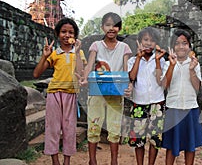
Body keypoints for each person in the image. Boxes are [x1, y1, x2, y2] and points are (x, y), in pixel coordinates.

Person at [79, 12, 132, 165]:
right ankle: (92, 160)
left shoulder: (124, 47)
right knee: (94, 125)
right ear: (102, 27)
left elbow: (125, 68)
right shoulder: (96, 45)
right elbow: (90, 64)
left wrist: (128, 85)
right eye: (108, 25)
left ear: (119, 28)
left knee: (115, 127)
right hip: (97, 90)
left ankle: (114, 161)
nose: (111, 28)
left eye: (115, 25)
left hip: (115, 91)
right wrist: (84, 78)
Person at [33, 17, 87, 165]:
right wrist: (44, 57)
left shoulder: (79, 53)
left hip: (71, 95)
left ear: (75, 36)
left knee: (69, 129)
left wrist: (77, 52)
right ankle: (55, 160)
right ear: (58, 34)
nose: (67, 35)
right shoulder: (54, 54)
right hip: (54, 94)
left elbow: (81, 73)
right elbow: (36, 74)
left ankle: (67, 161)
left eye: (71, 32)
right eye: (63, 32)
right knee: (53, 128)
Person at [161, 29, 202, 165]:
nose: (181, 46)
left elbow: (197, 87)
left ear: (189, 47)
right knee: (171, 145)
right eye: (177, 43)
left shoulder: (194, 64)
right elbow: (164, 85)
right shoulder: (167, 64)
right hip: (173, 108)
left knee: (190, 145)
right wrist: (172, 66)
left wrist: (192, 69)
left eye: (184, 43)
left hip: (190, 108)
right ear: (172, 47)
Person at [126, 26, 166, 165]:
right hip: (139, 103)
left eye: (152, 40)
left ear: (156, 44)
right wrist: (138, 57)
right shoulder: (133, 60)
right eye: (145, 40)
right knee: (138, 138)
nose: (149, 43)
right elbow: (131, 77)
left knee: (155, 138)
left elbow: (160, 81)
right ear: (139, 41)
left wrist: (156, 61)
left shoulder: (161, 60)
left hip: (157, 103)